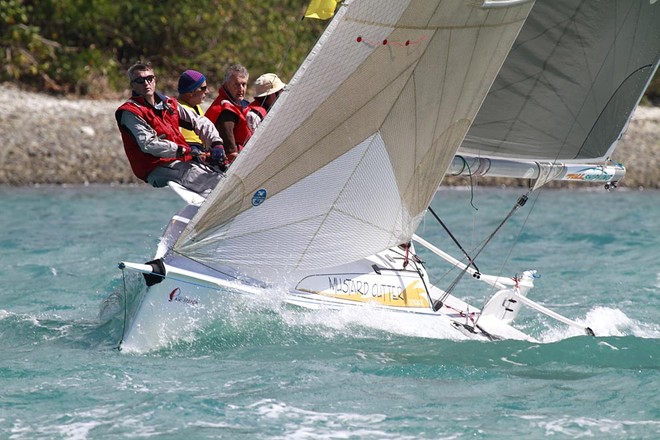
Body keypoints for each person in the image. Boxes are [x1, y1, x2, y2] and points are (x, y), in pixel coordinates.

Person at [115, 61, 226, 196]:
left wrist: (216, 144)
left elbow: (199, 122)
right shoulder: (130, 112)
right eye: (140, 80)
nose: (146, 83)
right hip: (154, 167)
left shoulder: (168, 103)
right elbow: (149, 144)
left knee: (224, 173)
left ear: (154, 80)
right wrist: (183, 150)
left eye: (149, 78)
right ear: (132, 85)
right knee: (214, 183)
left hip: (182, 160)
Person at [205, 64, 251, 165]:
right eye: (236, 85)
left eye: (244, 84)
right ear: (226, 85)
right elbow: (230, 153)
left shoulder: (233, 104)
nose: (241, 89)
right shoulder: (226, 111)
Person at [177, 69, 210, 151]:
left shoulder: (196, 106)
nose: (207, 91)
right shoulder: (179, 110)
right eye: (203, 88)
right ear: (191, 92)